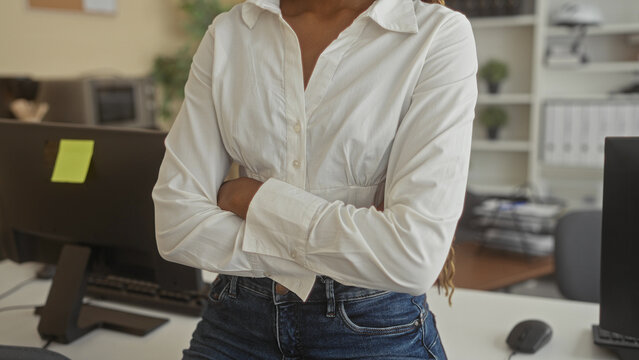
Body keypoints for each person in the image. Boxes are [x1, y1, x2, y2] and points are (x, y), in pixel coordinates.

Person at [152, 0, 477, 358]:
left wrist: (250, 200)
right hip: (236, 318)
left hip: (374, 325)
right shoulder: (230, 32)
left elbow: (412, 255)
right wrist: (363, 245)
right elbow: (177, 226)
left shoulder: (436, 34)